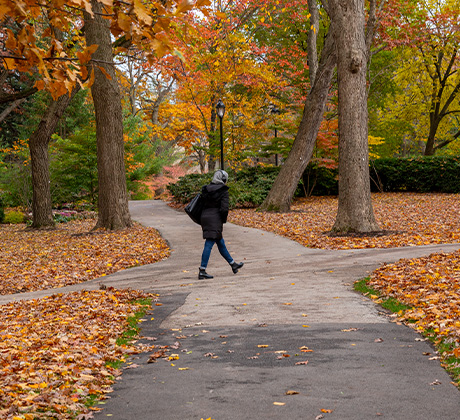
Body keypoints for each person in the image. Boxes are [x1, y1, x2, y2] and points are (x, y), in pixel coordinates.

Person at [198, 169, 244, 280]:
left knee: (220, 242)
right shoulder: (223, 191)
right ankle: (202, 270)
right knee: (209, 243)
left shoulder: (206, 189)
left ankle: (233, 264)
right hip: (215, 219)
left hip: (205, 217)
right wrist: (222, 220)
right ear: (223, 179)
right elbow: (224, 209)